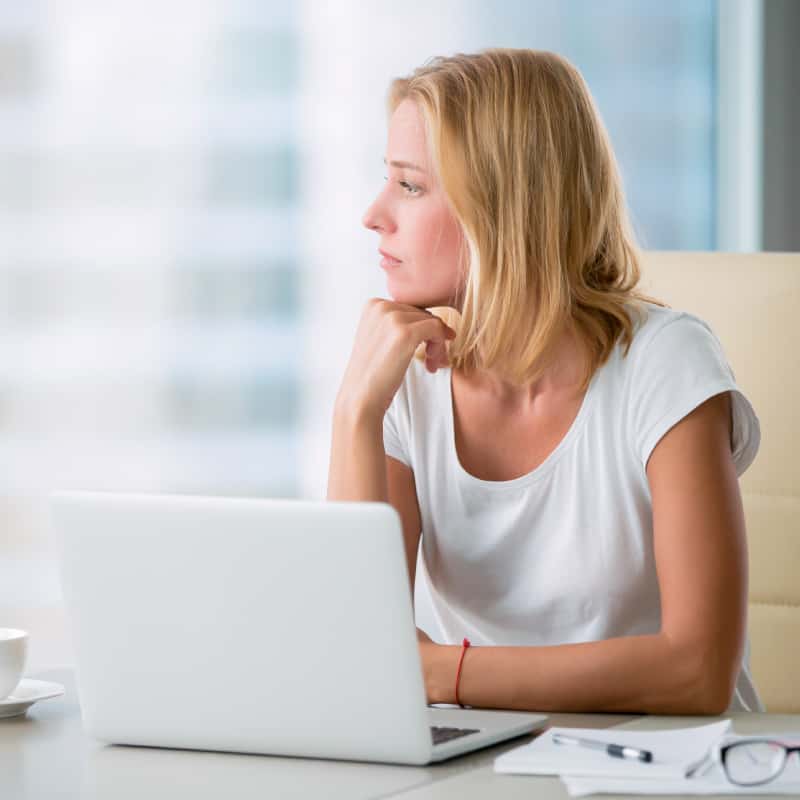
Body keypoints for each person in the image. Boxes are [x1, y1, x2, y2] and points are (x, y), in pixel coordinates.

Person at [327, 48, 763, 714]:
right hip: (486, 765)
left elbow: (697, 672)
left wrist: (444, 674)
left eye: (409, 186)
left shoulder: (664, 365)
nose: (373, 213)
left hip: (669, 765)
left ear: (503, 206)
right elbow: (355, 661)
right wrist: (354, 413)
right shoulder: (401, 377)